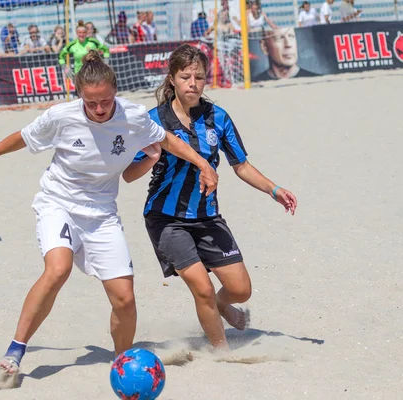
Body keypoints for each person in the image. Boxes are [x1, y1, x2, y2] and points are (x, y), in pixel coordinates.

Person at [0, 50, 218, 381]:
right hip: (59, 203)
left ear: (114, 93)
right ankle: (16, 349)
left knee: (125, 299)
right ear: (80, 94)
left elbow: (166, 139)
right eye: (91, 102)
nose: (99, 109)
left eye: (106, 102)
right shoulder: (61, 116)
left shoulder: (133, 116)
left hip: (101, 214)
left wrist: (202, 164)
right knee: (58, 269)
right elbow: (24, 138)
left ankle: (121, 363)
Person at [122, 44, 297, 351]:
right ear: (172, 79)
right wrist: (149, 158)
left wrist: (274, 189)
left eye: (199, 77)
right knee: (201, 287)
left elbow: (240, 165)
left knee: (240, 290)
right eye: (186, 76)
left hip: (207, 216)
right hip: (166, 219)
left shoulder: (218, 117)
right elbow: (128, 174)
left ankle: (222, 305)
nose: (193, 83)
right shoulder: (153, 120)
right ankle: (222, 352)